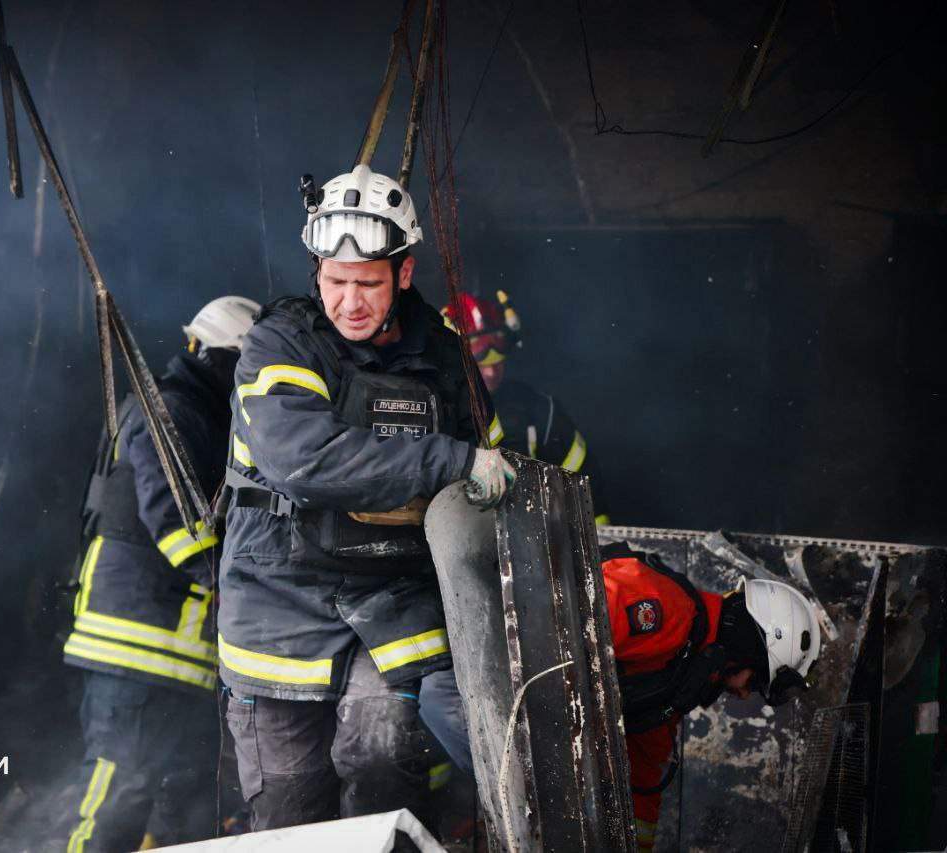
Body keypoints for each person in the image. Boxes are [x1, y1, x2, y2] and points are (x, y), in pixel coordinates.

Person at [217, 163, 512, 831]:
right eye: (335, 280)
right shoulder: (280, 342)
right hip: (277, 596)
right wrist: (451, 458)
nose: (350, 301)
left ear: (404, 274)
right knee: (290, 803)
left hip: (391, 598)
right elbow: (307, 460)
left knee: (381, 760)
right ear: (317, 268)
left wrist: (486, 472)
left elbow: (491, 477)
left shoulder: (443, 358)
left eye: (369, 284)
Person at [419, 542, 824, 851]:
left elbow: (642, 785)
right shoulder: (668, 611)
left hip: (512, 711)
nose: (741, 694)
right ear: (751, 645)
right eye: (753, 681)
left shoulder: (680, 674)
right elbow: (545, 629)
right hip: (469, 676)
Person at [63, 295, 260, 853]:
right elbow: (169, 512)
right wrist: (235, 582)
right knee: (117, 799)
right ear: (227, 361)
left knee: (186, 813)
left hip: (174, 657)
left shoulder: (203, 417)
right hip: (137, 650)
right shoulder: (170, 413)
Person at [441, 291, 608, 522]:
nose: (491, 371)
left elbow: (586, 491)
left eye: (498, 361)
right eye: (481, 362)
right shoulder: (438, 409)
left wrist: (602, 549)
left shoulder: (541, 411)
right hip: (453, 537)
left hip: (528, 539)